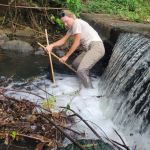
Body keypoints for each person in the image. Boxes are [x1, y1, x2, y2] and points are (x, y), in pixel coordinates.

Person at [46, 10, 105, 88]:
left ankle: (90, 92)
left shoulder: (77, 22)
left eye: (66, 21)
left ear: (71, 17)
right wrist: (51, 45)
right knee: (75, 64)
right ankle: (86, 79)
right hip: (88, 49)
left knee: (81, 70)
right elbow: (63, 40)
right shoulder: (71, 28)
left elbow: (77, 42)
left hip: (96, 47)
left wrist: (66, 56)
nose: (65, 24)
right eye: (63, 23)